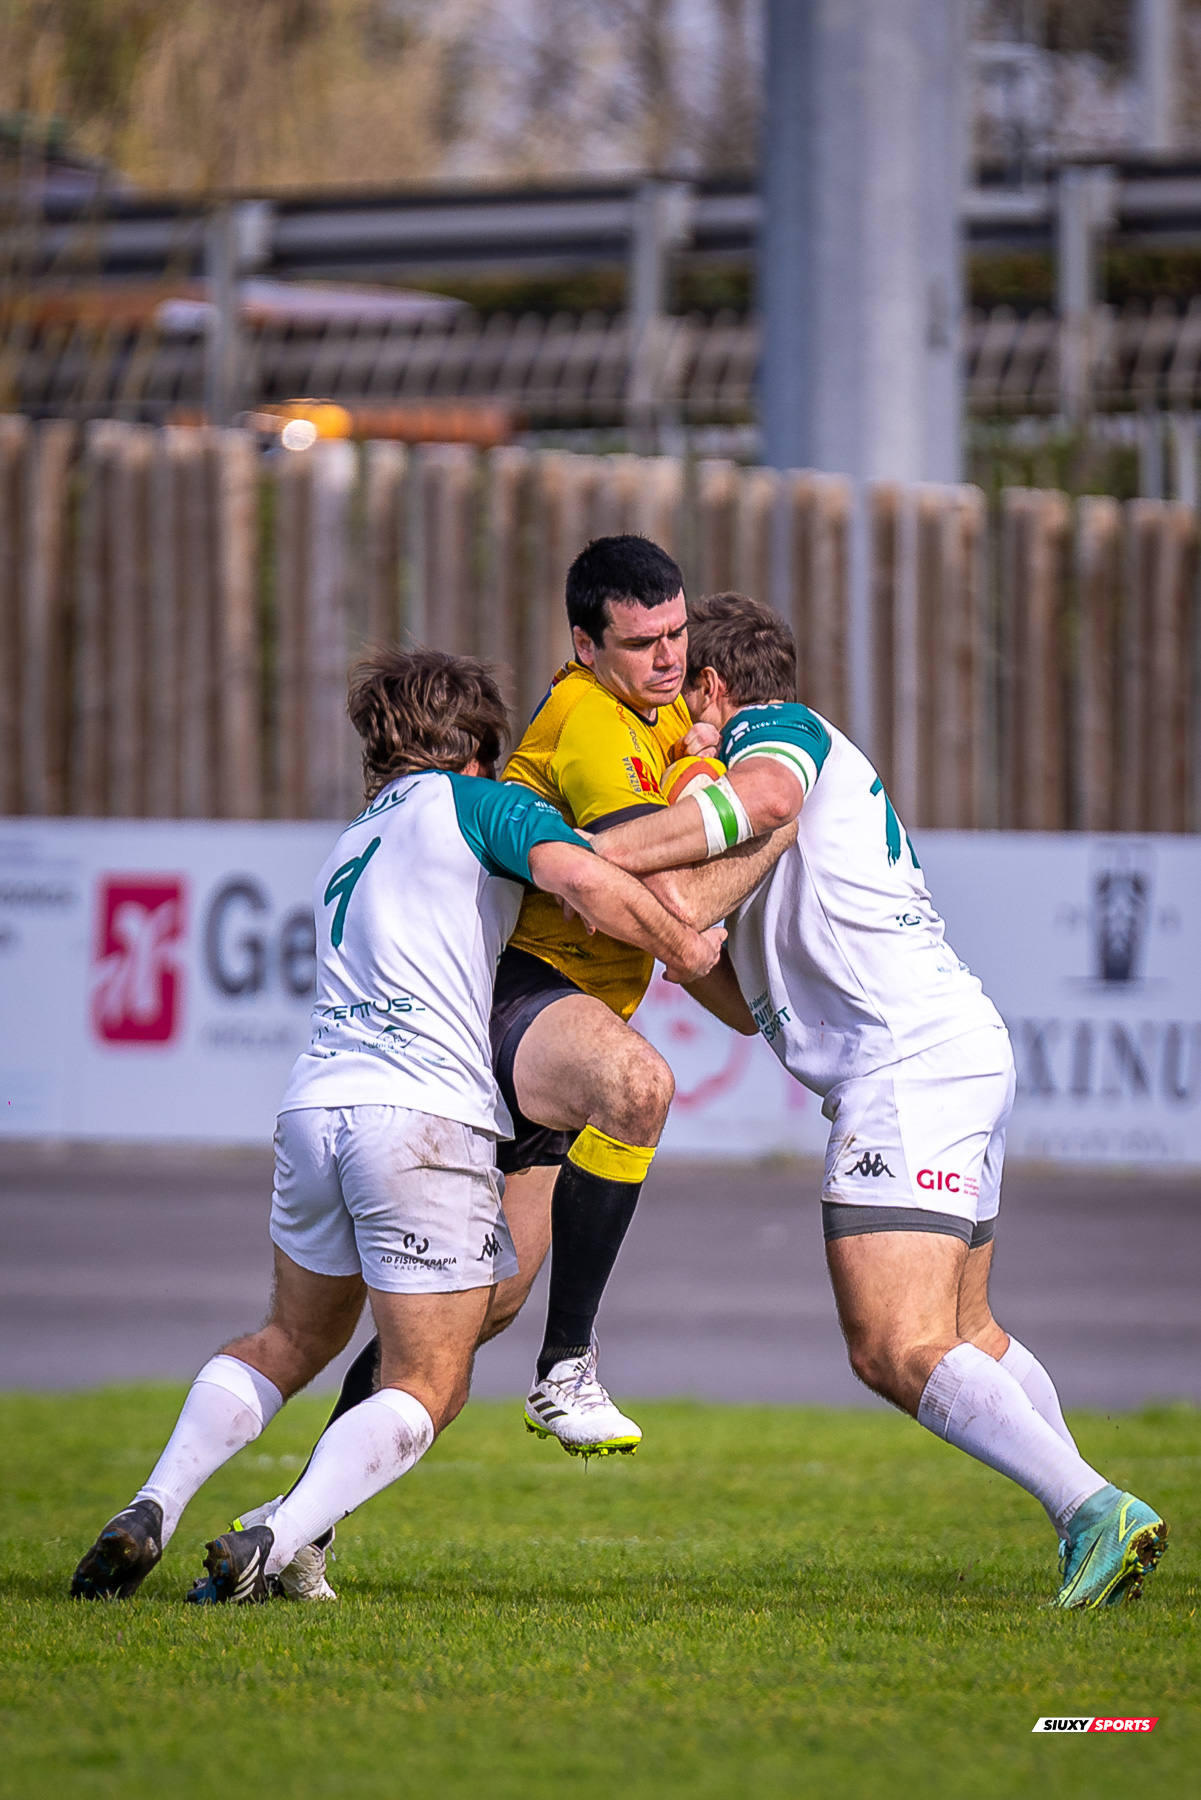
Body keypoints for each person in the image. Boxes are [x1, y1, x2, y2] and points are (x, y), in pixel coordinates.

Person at [70, 647, 724, 1604]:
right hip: (419, 1116)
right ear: (477, 747)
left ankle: (152, 1505)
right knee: (430, 1381)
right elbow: (586, 880)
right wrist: (684, 944)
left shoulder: (354, 837)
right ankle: (277, 1540)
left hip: (314, 1108)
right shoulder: (477, 803)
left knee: (289, 1340)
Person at [593, 591, 1168, 1611]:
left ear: (715, 687)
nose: (668, 722)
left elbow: (761, 807)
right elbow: (726, 987)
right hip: (948, 1047)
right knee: (968, 1333)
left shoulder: (776, 732)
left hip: (907, 1066)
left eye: (680, 697)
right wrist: (675, 932)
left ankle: (1092, 1509)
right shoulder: (769, 794)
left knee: (891, 1346)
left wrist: (607, 864)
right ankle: (1097, 1520)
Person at [317, 537, 794, 1470]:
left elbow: (692, 948)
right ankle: (567, 1365)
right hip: (520, 992)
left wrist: (752, 1005)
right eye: (640, 644)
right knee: (637, 1086)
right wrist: (775, 821)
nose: (667, 659)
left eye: (675, 634)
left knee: (474, 1312)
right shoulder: (590, 723)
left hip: (569, 1013)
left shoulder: (663, 713)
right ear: (585, 645)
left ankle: (296, 1521)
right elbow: (664, 893)